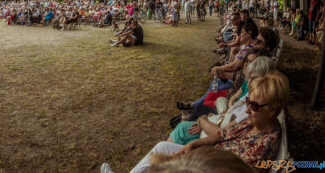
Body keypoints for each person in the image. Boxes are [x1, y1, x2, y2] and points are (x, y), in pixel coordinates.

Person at [101, 72, 289, 173]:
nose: (247, 109)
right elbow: (221, 134)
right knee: (161, 147)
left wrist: (193, 160)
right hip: (204, 158)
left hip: (206, 166)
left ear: (273, 109)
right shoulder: (252, 121)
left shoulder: (265, 142)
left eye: (254, 105)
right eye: (248, 102)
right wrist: (194, 144)